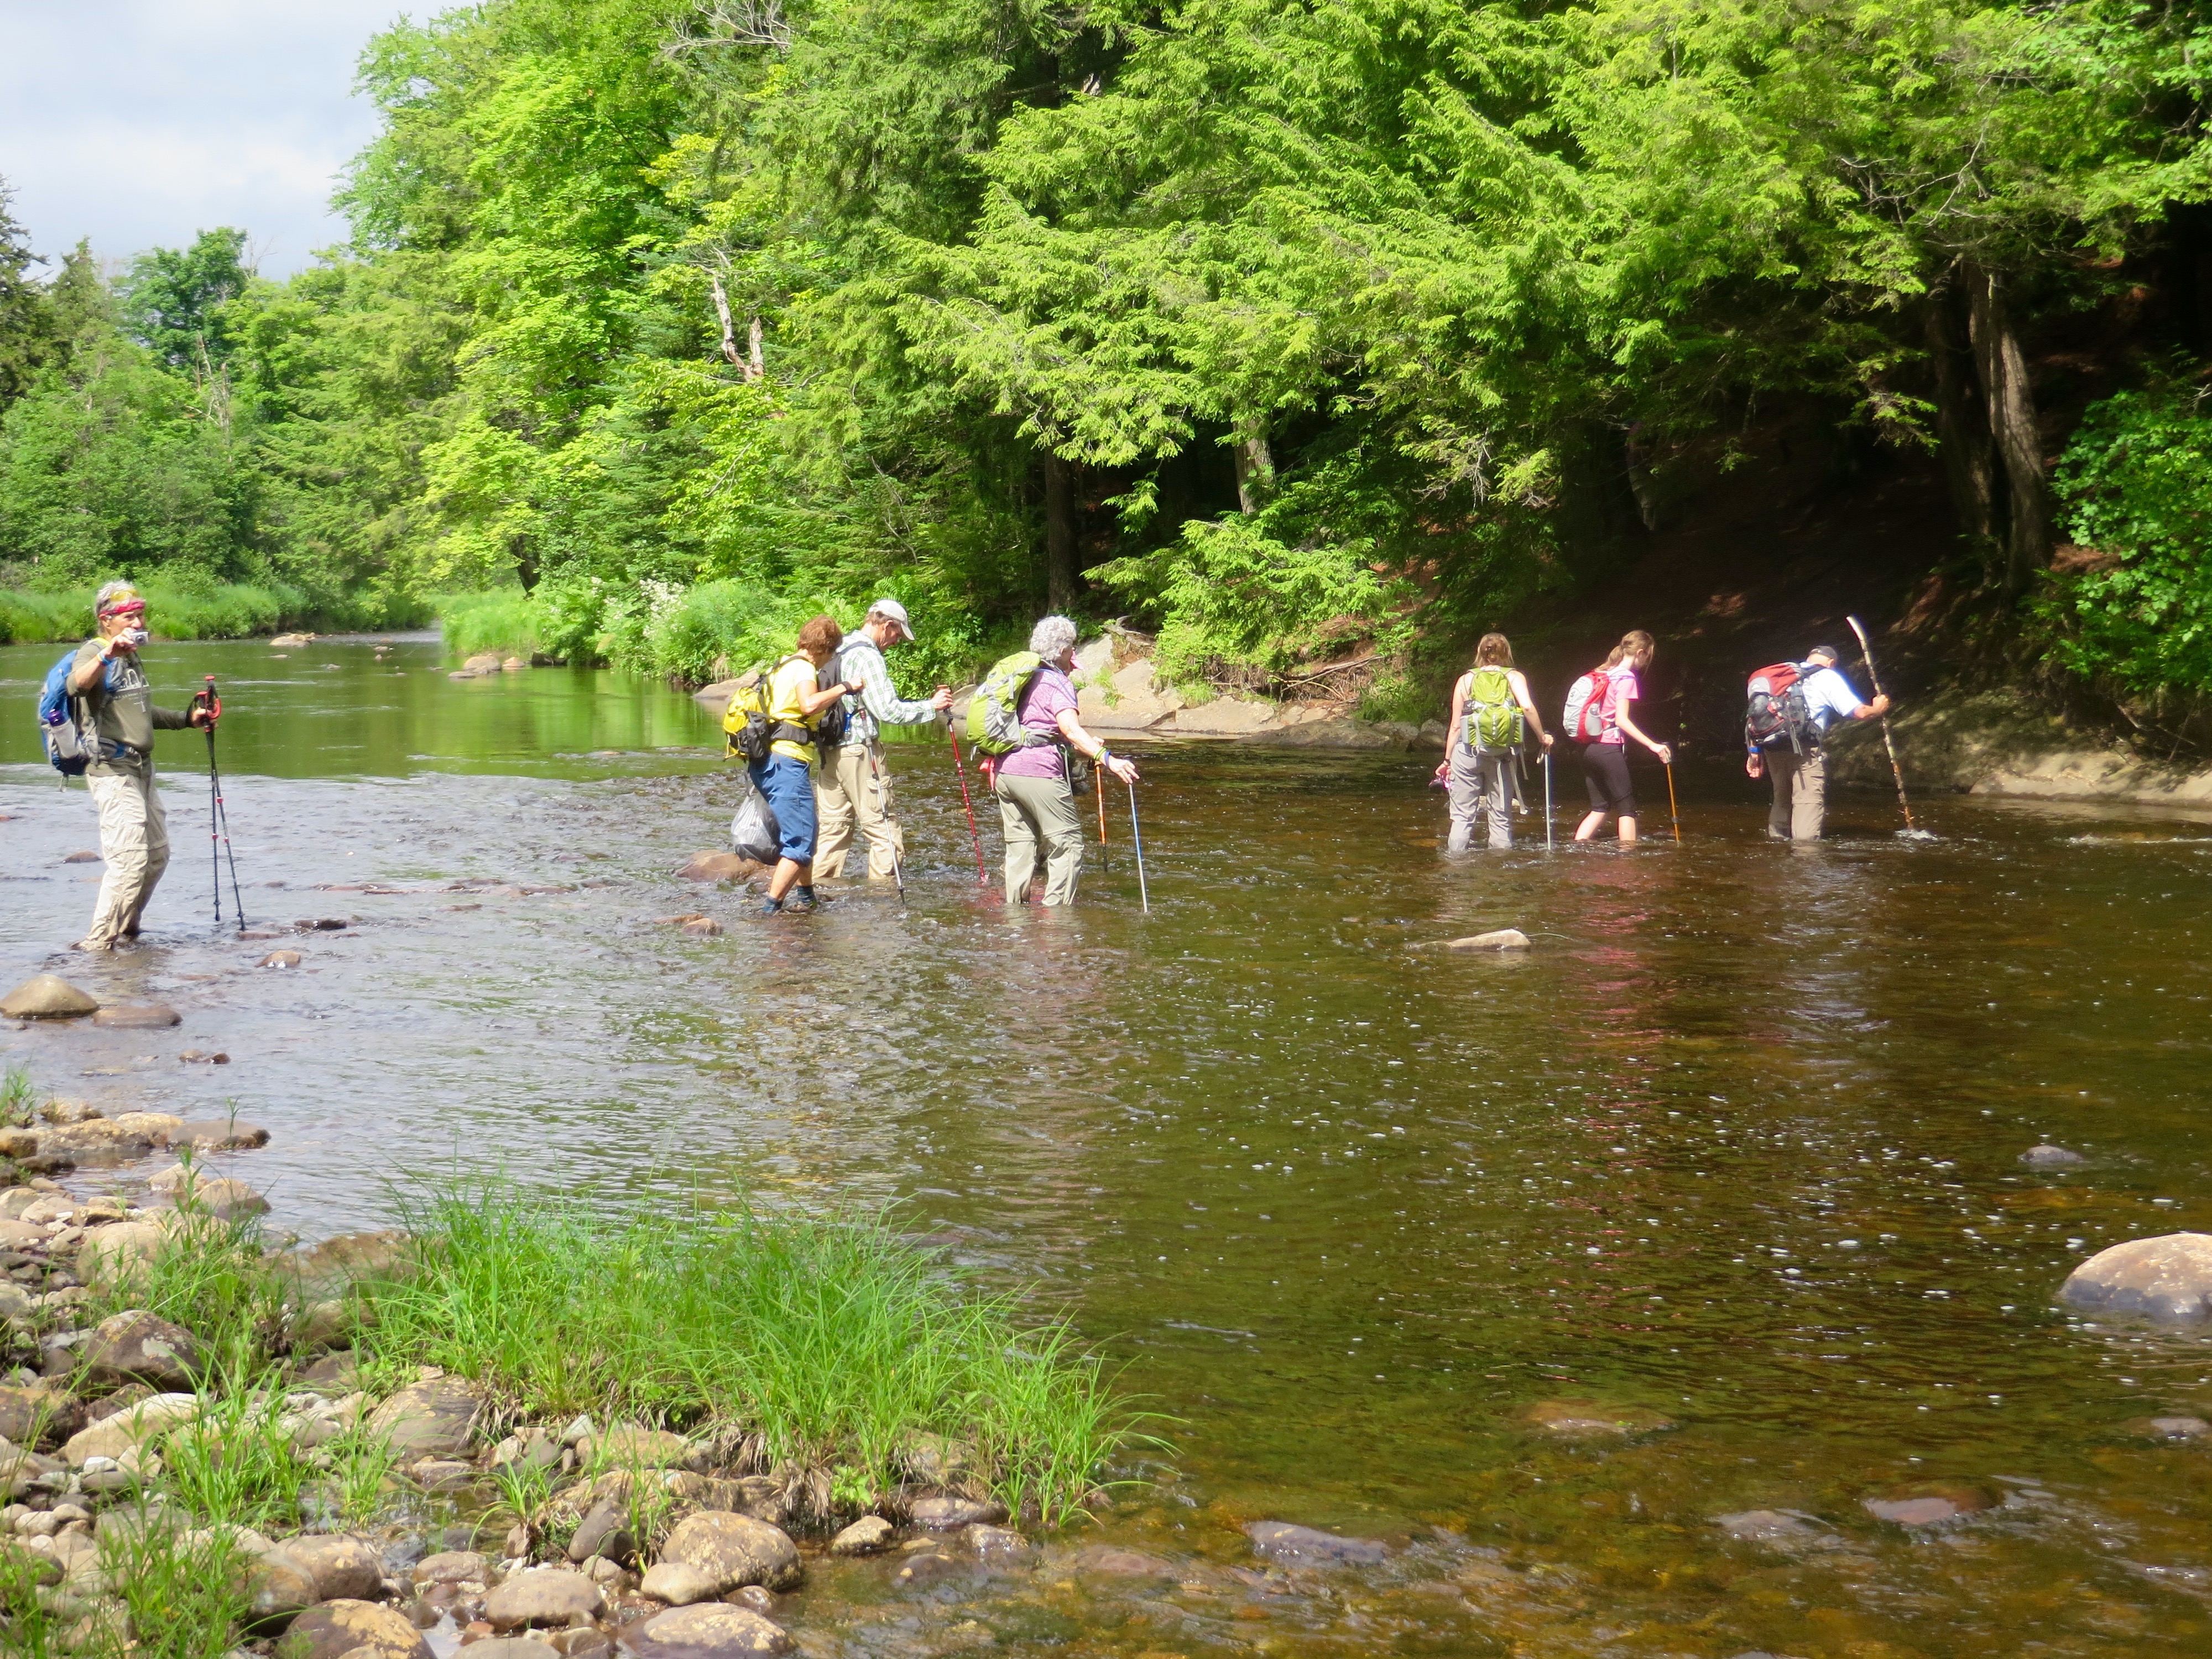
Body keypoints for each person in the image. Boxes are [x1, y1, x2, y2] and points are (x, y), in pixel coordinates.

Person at [67, 581, 213, 951]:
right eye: (129, 617)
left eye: (140, 615)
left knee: (158, 855)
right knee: (129, 861)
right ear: (107, 620)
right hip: (112, 770)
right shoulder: (94, 651)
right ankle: (97, 946)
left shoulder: (132, 655)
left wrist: (187, 718)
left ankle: (128, 929)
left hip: (143, 769)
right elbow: (76, 686)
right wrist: (107, 656)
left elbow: (142, 714)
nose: (138, 622)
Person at [992, 614, 1140, 906]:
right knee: (1069, 843)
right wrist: (1108, 759)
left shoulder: (1024, 677)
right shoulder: (1056, 683)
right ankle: (1055, 923)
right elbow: (1070, 728)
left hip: (1005, 771)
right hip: (1038, 773)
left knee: (1021, 847)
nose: (1074, 653)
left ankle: (1015, 920)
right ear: (1061, 651)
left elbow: (1040, 727)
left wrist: (1082, 744)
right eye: (1072, 647)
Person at [813, 598, 954, 881]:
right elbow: (889, 710)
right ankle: (884, 899)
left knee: (833, 829)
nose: (897, 641)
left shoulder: (839, 647)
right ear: (887, 625)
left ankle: (817, 893)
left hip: (829, 750)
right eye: (898, 634)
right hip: (860, 752)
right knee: (883, 827)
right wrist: (932, 706)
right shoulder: (868, 656)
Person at [753, 614, 866, 915]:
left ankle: (806, 898)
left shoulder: (781, 665)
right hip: (787, 761)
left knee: (805, 832)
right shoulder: (804, 668)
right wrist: (845, 687)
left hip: (768, 759)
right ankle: (769, 910)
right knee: (801, 841)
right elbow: (809, 704)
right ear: (825, 649)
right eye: (831, 653)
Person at [1746, 643, 1891, 841]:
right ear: (1831, 663)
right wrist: (1878, 709)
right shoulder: (1828, 676)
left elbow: (1757, 715)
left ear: (1809, 658)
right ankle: (1806, 857)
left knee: (1782, 798)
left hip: (1773, 746)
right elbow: (1859, 712)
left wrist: (1754, 752)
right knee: (1807, 801)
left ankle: (1776, 849)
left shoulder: (1783, 675)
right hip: (1805, 749)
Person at [1433, 633, 1553, 850]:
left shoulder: (1466, 679)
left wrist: (1447, 761)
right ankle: (1500, 872)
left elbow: (1455, 725)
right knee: (1500, 817)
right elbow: (1526, 707)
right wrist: (1541, 736)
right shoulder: (1514, 677)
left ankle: (1455, 869)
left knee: (1462, 817)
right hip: (1502, 756)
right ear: (1507, 652)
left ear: (1480, 652)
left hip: (1467, 752)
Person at [1573, 629, 1671, 845]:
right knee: (1627, 808)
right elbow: (1621, 720)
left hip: (1587, 749)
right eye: (1648, 656)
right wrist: (1653, 745)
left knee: (1600, 807)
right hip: (1607, 748)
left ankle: (1577, 849)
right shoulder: (1626, 678)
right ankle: (1628, 859)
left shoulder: (1605, 672)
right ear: (1641, 653)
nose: (1647, 661)